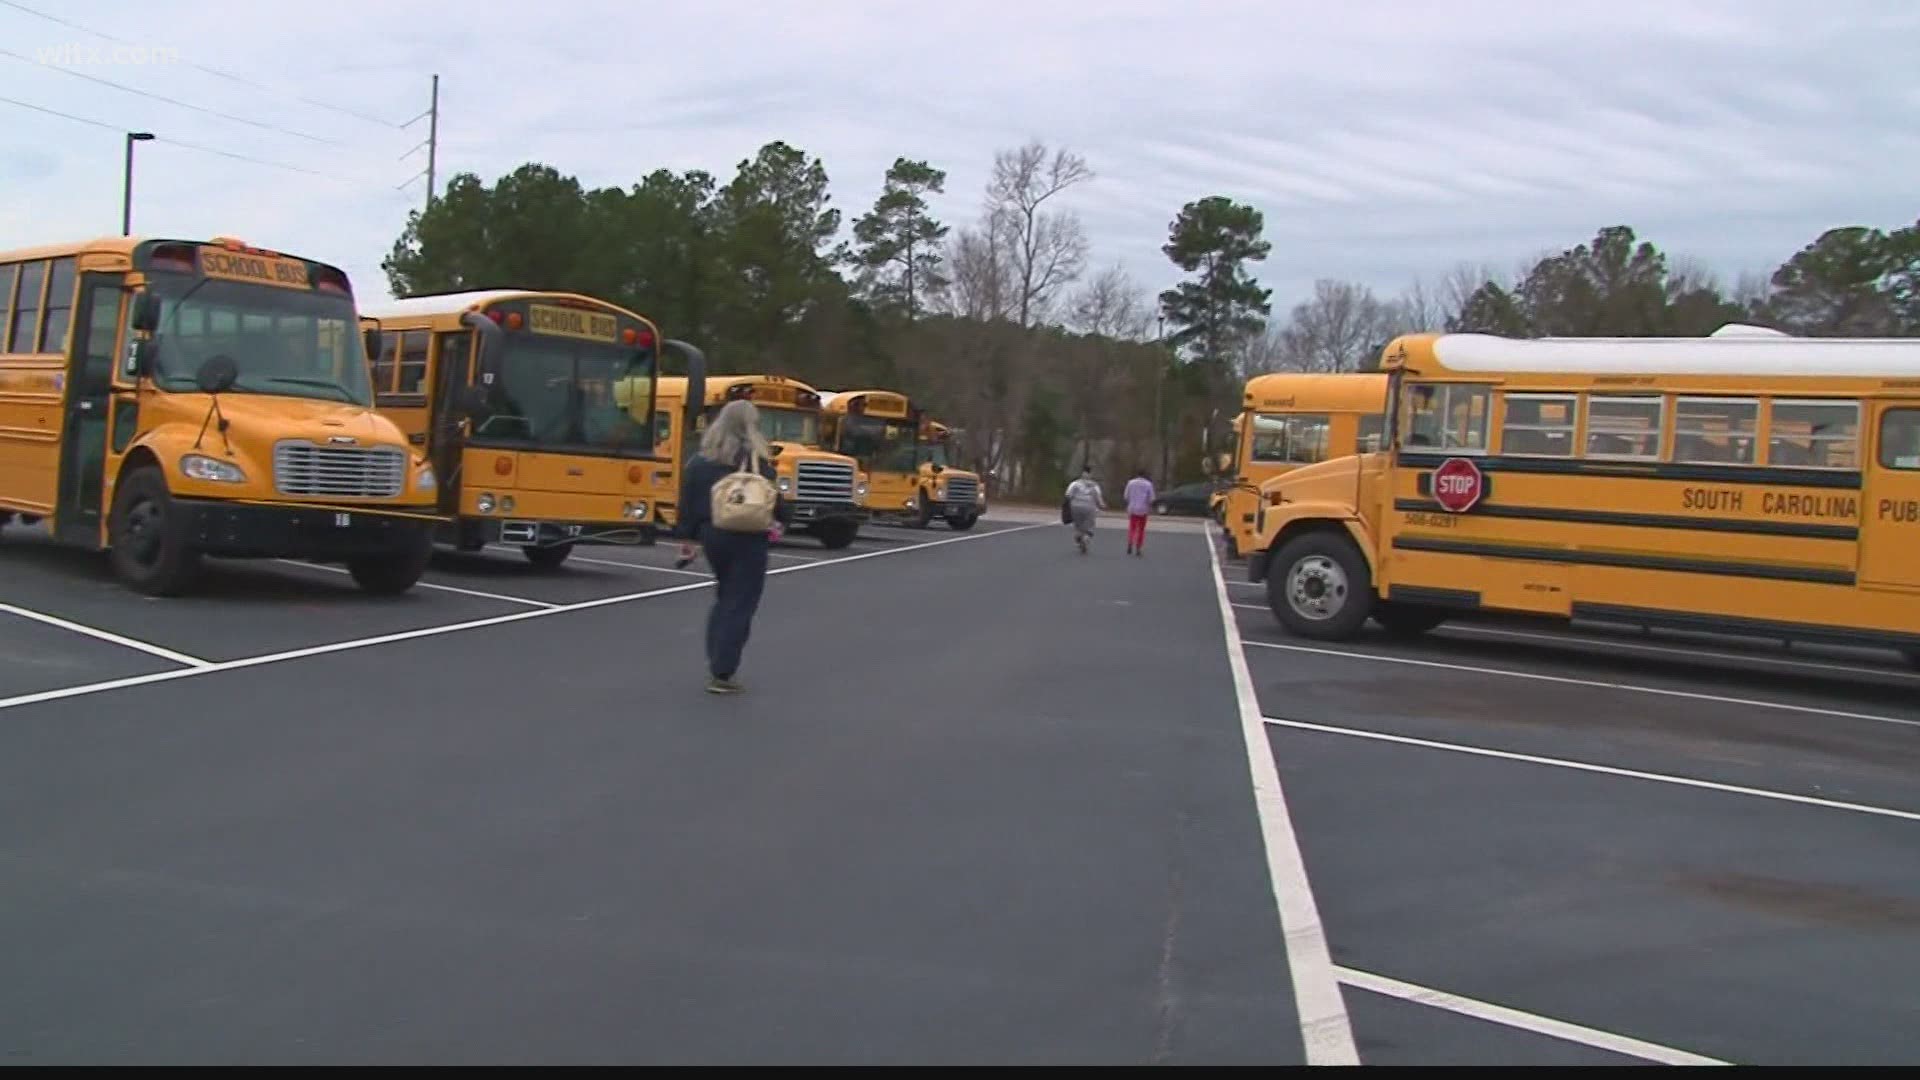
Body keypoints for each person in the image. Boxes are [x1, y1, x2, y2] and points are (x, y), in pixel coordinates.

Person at [674, 399, 792, 694]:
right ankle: (722, 670)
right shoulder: (757, 464)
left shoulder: (700, 461)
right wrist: (783, 520)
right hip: (748, 537)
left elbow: (687, 503)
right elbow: (775, 502)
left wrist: (687, 538)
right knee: (741, 602)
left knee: (725, 595)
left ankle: (716, 656)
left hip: (712, 535)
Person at [1064, 466, 1105, 554]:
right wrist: (1101, 505)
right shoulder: (1095, 485)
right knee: (1090, 525)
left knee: (1078, 525)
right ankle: (1086, 538)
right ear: (1090, 474)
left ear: (1082, 474)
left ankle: (1078, 537)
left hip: (1075, 506)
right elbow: (1098, 498)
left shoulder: (1075, 484)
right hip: (1090, 507)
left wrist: (1068, 505)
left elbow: (1068, 495)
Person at [1123, 468, 1155, 556]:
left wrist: (1130, 502)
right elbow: (1152, 498)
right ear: (1144, 475)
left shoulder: (1131, 483)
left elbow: (1126, 496)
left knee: (1132, 527)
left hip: (1133, 508)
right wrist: (1149, 506)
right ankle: (1138, 547)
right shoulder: (1148, 484)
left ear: (1137, 475)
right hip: (1143, 509)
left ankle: (1130, 542)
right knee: (1141, 529)